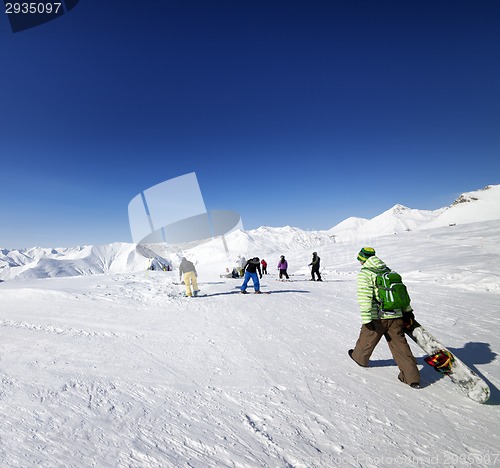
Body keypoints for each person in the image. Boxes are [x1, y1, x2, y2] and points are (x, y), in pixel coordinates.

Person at [348, 247, 420, 388]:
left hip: (378, 317)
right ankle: (412, 377)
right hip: (396, 315)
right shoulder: (389, 271)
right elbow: (401, 293)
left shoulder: (366, 274)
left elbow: (365, 297)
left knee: (367, 338)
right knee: (400, 345)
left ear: (363, 259)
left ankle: (359, 358)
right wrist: (407, 311)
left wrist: (367, 319)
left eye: (360, 259)